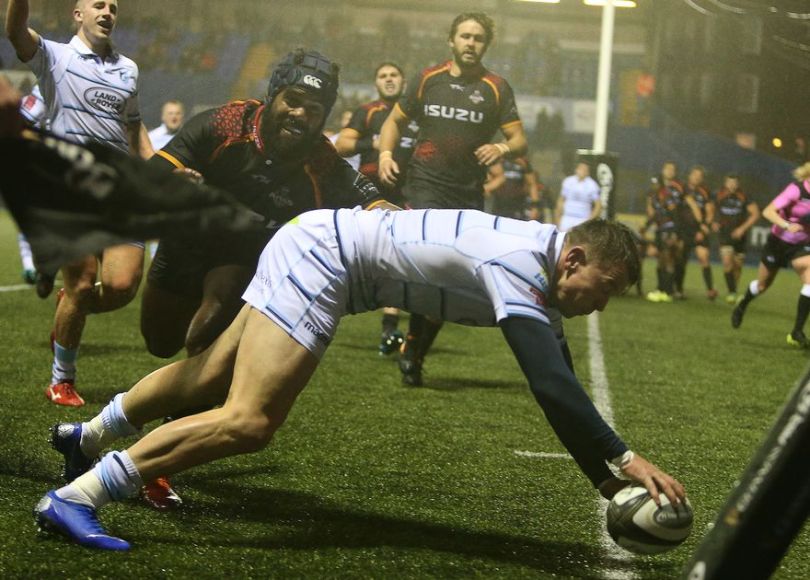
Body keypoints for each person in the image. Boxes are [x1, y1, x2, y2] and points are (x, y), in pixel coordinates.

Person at [35, 208, 686, 551]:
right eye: (602, 289)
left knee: (209, 376)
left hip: (320, 243)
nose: (600, 306)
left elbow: (560, 386)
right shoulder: (519, 263)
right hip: (326, 259)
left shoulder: (542, 265)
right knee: (249, 419)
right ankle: (78, 497)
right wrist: (627, 458)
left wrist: (607, 481)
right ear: (574, 259)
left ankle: (86, 438)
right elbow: (549, 385)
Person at [140, 49, 385, 362]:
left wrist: (399, 221)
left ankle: (197, 391)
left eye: (314, 109)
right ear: (272, 95)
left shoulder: (322, 161)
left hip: (242, 255)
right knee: (160, 343)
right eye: (292, 100)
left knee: (205, 337)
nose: (300, 114)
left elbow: (375, 203)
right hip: (186, 243)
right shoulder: (224, 125)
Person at [6, 0, 154, 408]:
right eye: (98, 5)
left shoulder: (129, 69)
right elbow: (16, 32)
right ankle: (62, 380)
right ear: (78, 15)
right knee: (83, 281)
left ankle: (70, 304)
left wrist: (160, 166)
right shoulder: (55, 57)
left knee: (122, 287)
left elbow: (134, 125)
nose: (107, 13)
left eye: (114, 8)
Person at [377, 12, 529, 386]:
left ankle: (414, 349)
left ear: (486, 45)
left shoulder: (496, 87)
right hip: (424, 184)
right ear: (451, 40)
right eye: (465, 36)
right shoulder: (428, 79)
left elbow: (519, 140)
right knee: (425, 263)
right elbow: (394, 121)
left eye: (478, 38)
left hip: (466, 193)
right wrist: (385, 154)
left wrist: (501, 148)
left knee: (446, 282)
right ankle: (392, 326)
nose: (471, 43)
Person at [335, 61, 419, 355]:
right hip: (369, 195)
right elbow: (341, 144)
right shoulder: (367, 112)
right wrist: (371, 143)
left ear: (403, 81)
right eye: (383, 76)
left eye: (394, 75)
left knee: (399, 260)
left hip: (408, 195)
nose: (389, 79)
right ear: (376, 83)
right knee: (354, 257)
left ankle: (390, 329)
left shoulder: (415, 113)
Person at [731, 162, 810, 348]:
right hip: (778, 243)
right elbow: (768, 211)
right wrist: (787, 225)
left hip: (802, 245)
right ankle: (742, 305)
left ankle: (796, 332)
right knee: (762, 285)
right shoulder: (796, 189)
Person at [711, 174, 760, 304]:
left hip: (740, 236)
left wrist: (742, 229)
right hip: (725, 234)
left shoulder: (744, 196)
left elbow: (755, 214)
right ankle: (732, 293)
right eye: (730, 182)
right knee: (727, 262)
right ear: (725, 183)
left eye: (734, 182)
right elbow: (710, 208)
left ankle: (732, 290)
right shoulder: (718, 194)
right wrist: (713, 221)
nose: (732, 185)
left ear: (738, 184)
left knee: (737, 265)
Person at [678, 166, 717, 300]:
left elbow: (710, 211)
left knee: (703, 257)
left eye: (699, 176)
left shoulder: (705, 192)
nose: (696, 177)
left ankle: (710, 289)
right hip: (684, 230)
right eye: (694, 174)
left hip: (699, 230)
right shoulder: (681, 189)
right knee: (681, 260)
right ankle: (679, 290)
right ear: (689, 175)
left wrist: (703, 228)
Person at [488, 155, 544, 221]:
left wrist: (535, 206)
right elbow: (488, 184)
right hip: (499, 203)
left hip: (518, 204)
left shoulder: (522, 162)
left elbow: (532, 184)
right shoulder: (497, 161)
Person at [554, 162, 601, 232]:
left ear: (588, 172)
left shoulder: (592, 185)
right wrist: (558, 218)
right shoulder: (568, 181)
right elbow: (561, 200)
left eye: (584, 170)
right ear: (576, 170)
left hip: (583, 219)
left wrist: (589, 221)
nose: (582, 171)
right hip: (567, 218)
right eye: (580, 169)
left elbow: (598, 205)